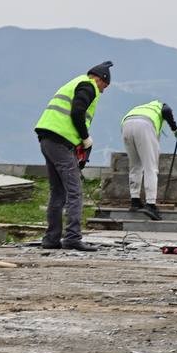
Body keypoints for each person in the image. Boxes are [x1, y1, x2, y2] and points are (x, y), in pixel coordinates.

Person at [34, 62, 112, 252]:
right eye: (105, 86)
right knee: (74, 191)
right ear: (100, 79)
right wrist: (85, 138)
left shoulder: (74, 82)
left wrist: (79, 145)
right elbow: (77, 112)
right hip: (60, 140)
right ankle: (72, 237)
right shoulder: (89, 85)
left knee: (58, 191)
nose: (102, 91)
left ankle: (51, 239)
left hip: (48, 138)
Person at [120, 99, 177, 221]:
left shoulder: (142, 107)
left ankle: (135, 201)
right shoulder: (159, 106)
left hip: (126, 125)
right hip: (144, 126)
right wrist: (175, 129)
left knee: (135, 166)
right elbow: (167, 110)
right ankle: (150, 204)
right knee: (151, 167)